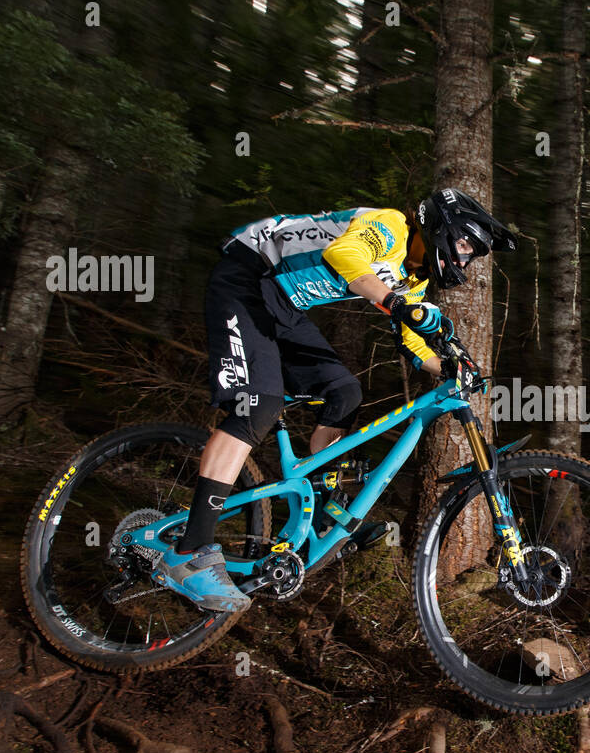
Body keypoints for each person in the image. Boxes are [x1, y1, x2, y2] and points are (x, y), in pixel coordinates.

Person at [152, 187, 517, 612]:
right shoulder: (389, 226)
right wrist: (395, 303)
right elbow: (344, 256)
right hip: (247, 278)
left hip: (281, 305)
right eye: (464, 245)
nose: (464, 258)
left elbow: (412, 337)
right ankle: (188, 551)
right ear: (441, 227)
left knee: (344, 391)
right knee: (258, 405)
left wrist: (451, 366)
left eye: (472, 254)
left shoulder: (412, 276)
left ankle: (329, 515)